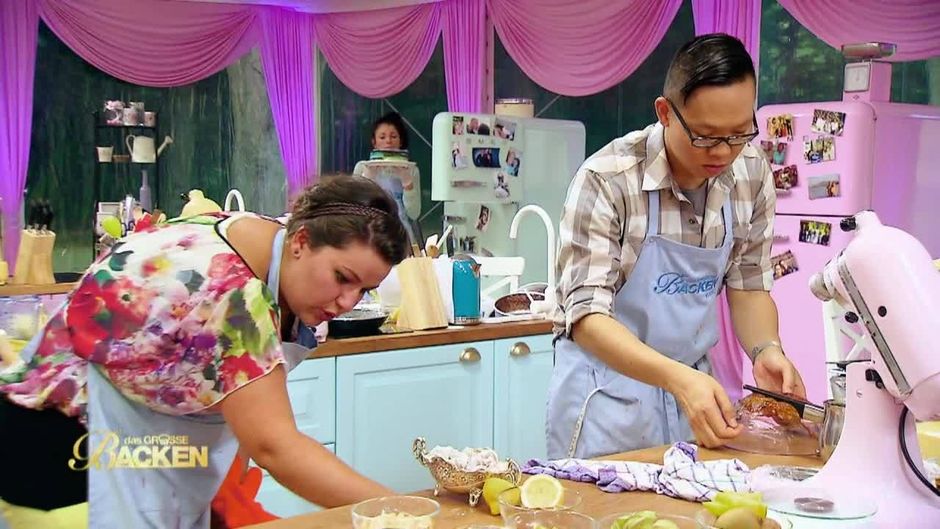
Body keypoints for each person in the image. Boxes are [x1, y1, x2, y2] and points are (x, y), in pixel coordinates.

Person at [0, 176, 408, 529]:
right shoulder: (233, 295)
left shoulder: (260, 237)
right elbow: (275, 447)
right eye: (342, 278)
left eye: (364, 290)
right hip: (62, 461)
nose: (347, 302)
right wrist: (402, 512)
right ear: (302, 240)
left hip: (138, 449)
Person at [546, 34, 806, 460]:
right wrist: (678, 379)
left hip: (695, 396)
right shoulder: (608, 180)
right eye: (705, 136)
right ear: (665, 113)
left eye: (739, 133)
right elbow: (587, 317)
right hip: (606, 397)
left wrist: (766, 349)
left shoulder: (752, 172)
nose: (723, 152)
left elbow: (749, 286)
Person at [352, 112, 422, 246]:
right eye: (382, 137)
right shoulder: (362, 167)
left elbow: (414, 214)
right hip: (369, 236)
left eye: (393, 136)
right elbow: (354, 209)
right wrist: (368, 178)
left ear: (401, 141)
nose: (388, 141)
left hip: (402, 237)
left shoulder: (411, 170)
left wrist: (407, 183)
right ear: (374, 142)